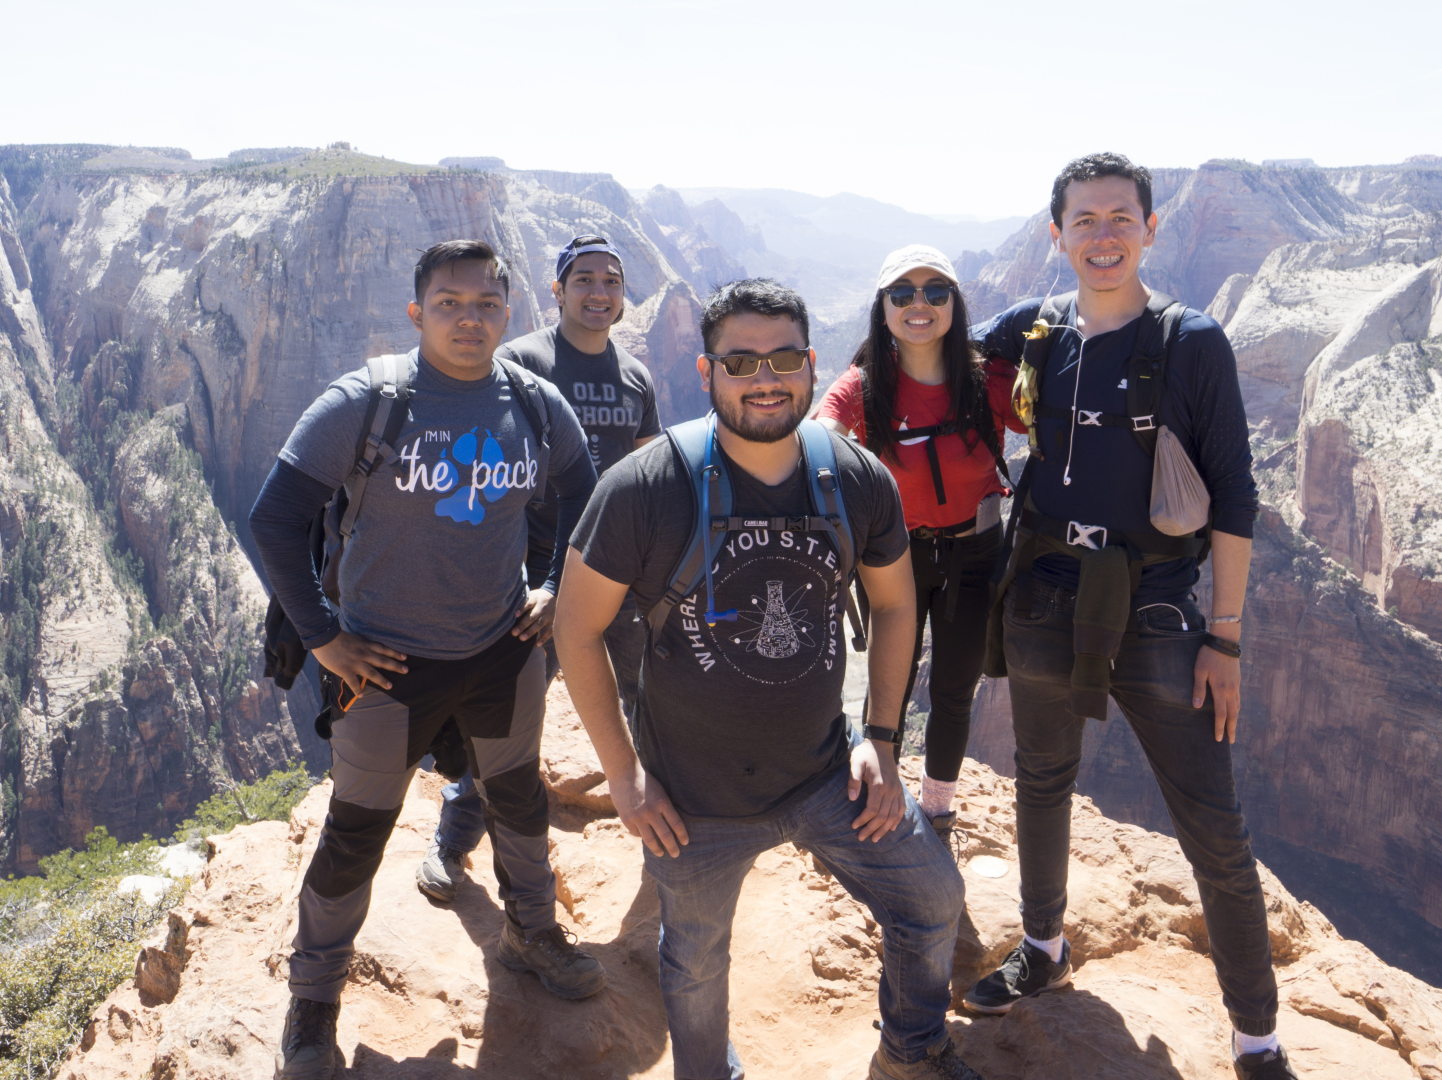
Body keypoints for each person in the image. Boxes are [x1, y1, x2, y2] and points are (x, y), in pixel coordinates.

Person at [554, 279, 987, 1080]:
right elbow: (574, 628)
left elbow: (895, 607)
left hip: (827, 770)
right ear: (706, 370)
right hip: (691, 801)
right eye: (742, 360)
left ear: (812, 366)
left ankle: (911, 1049)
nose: (765, 377)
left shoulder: (855, 479)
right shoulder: (645, 487)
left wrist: (882, 743)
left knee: (930, 899)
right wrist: (625, 777)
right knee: (695, 964)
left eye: (785, 358)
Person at [965, 155, 1297, 1080]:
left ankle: (1257, 1039)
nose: (1103, 234)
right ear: (1056, 233)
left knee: (1214, 832)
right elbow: (927, 338)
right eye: (1085, 219)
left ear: (1151, 228)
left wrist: (1224, 636)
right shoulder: (1035, 329)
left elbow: (1235, 495)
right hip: (1043, 596)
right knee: (1040, 781)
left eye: (1121, 217)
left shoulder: (1192, 341)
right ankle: (1042, 948)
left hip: (1156, 613)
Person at [249, 240, 606, 1080]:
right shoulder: (367, 401)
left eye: (485, 302)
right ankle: (314, 1003)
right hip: (384, 667)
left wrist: (554, 586)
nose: (468, 317)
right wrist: (325, 637)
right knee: (356, 835)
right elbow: (274, 520)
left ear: (507, 313)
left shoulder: (536, 403)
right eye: (449, 302)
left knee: (517, 803)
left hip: (501, 652)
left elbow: (589, 499)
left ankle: (533, 934)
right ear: (417, 313)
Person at [416, 233, 662, 904]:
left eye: (610, 281)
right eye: (584, 279)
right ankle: (453, 841)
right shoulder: (522, 360)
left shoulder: (635, 376)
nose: (598, 291)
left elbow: (647, 470)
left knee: (646, 699)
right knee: (502, 709)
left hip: (623, 567)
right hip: (534, 567)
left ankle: (665, 848)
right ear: (558, 291)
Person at [814, 245, 1011, 845]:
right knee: (888, 683)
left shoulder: (989, 379)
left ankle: (940, 809)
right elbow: (824, 440)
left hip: (976, 552)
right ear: (883, 307)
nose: (918, 304)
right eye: (902, 294)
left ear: (956, 302)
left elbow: (1058, 418)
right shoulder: (864, 385)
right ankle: (883, 796)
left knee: (954, 687)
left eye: (935, 291)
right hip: (894, 556)